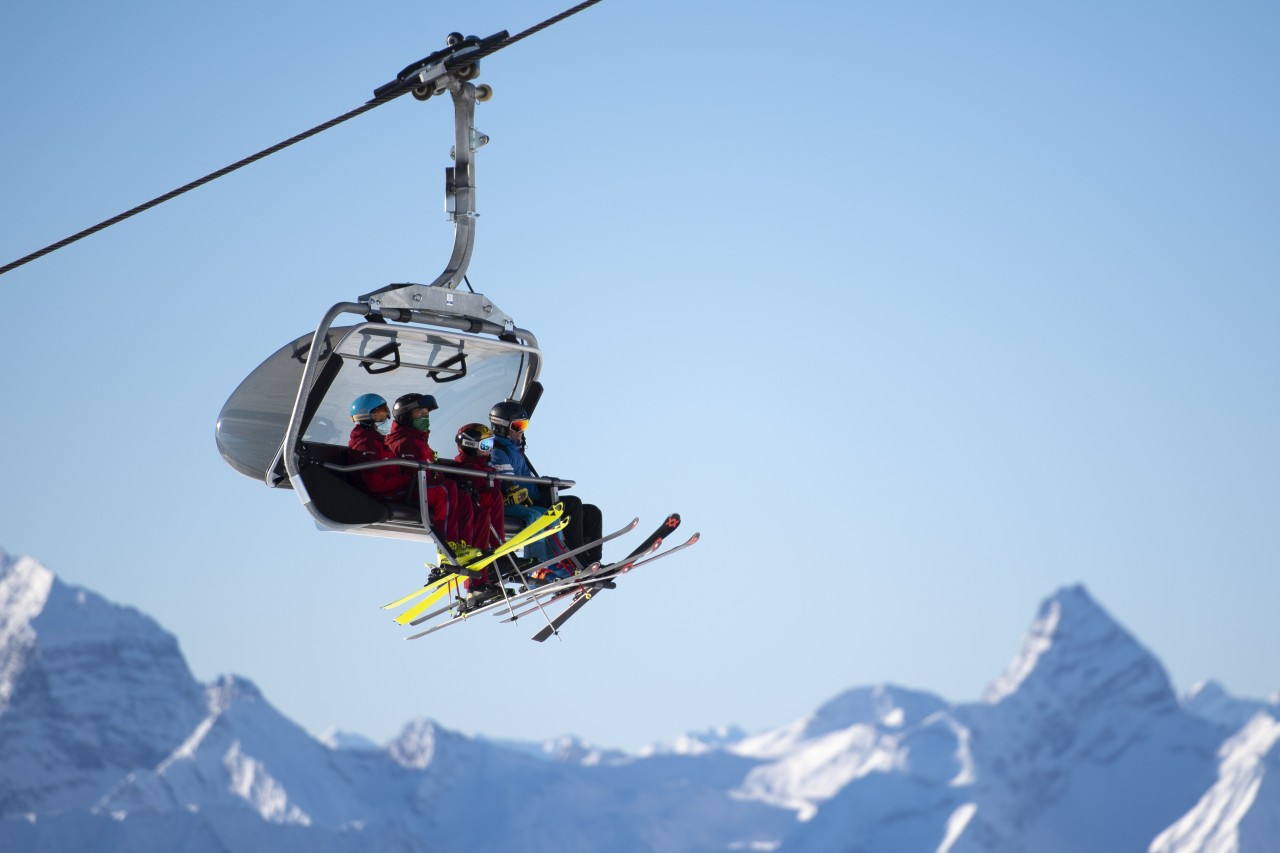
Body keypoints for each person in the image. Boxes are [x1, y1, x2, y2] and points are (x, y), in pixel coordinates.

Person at [488, 400, 604, 578]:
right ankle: (574, 563)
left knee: (591, 512)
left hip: (533, 497)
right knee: (572, 505)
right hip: (524, 502)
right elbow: (507, 484)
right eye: (518, 425)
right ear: (502, 427)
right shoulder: (498, 451)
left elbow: (525, 479)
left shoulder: (515, 449)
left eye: (524, 425)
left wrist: (545, 482)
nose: (522, 430)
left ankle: (592, 562)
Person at [384, 393, 474, 556]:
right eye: (421, 413)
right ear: (406, 415)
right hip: (407, 490)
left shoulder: (419, 440)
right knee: (445, 489)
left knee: (463, 497)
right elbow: (412, 471)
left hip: (422, 487)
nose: (425, 417)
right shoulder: (401, 442)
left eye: (427, 414)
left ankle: (465, 548)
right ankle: (447, 547)